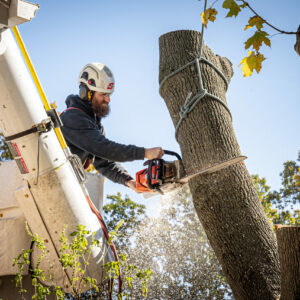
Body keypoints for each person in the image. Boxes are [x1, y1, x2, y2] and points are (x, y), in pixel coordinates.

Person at [60, 62, 164, 192]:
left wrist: (128, 181)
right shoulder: (73, 118)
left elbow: (104, 161)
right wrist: (145, 152)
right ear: (86, 93)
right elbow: (104, 149)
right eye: (103, 94)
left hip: (64, 183)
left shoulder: (95, 125)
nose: (108, 100)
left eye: (109, 94)